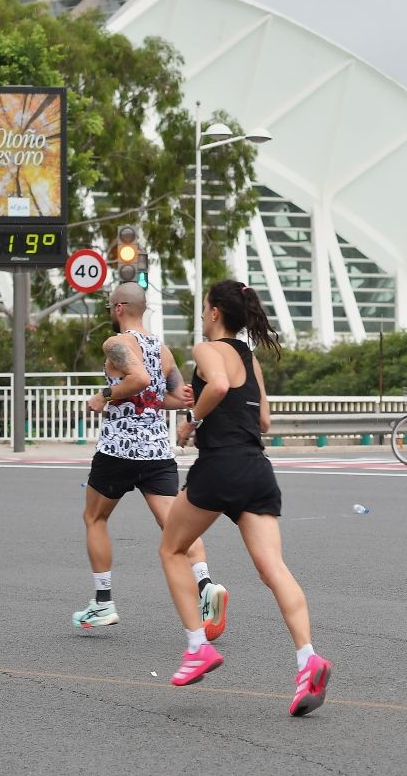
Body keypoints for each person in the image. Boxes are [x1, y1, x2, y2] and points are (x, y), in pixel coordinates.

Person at [158, 279, 332, 717]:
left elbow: (216, 385)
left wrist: (191, 421)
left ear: (216, 313)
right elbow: (266, 420)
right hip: (257, 469)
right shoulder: (249, 358)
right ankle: (307, 657)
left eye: (203, 309)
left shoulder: (206, 350)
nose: (202, 316)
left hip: (220, 467)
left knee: (172, 548)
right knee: (274, 568)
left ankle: (198, 646)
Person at [74, 282, 228, 639]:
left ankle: (103, 602)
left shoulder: (116, 344)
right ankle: (206, 586)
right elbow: (172, 399)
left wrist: (103, 395)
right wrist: (184, 396)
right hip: (157, 451)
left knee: (94, 516)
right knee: (177, 525)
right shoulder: (163, 350)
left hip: (119, 450)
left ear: (117, 309)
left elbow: (138, 378)